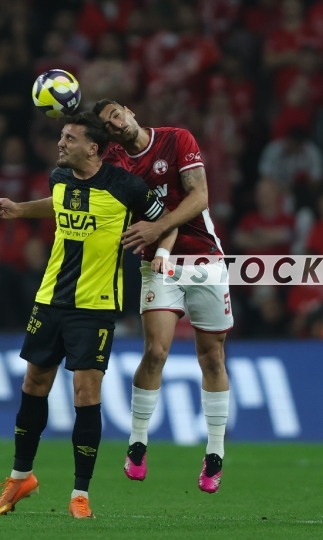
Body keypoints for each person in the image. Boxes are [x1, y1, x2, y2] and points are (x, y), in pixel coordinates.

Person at [0, 111, 175, 518]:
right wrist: (18, 210)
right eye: (62, 136)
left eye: (69, 138)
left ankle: (79, 494)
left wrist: (161, 252)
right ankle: (20, 477)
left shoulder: (126, 185)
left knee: (86, 394)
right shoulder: (59, 177)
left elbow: (168, 220)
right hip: (50, 298)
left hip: (95, 306)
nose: (61, 143)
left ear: (93, 148)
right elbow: (56, 204)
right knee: (34, 383)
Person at [92, 99, 234, 493]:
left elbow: (199, 197)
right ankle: (138, 442)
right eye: (107, 125)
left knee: (212, 357)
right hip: (157, 264)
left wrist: (157, 229)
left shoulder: (176, 139)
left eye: (116, 115)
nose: (116, 124)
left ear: (129, 111)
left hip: (204, 258)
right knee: (155, 351)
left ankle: (215, 452)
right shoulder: (115, 163)